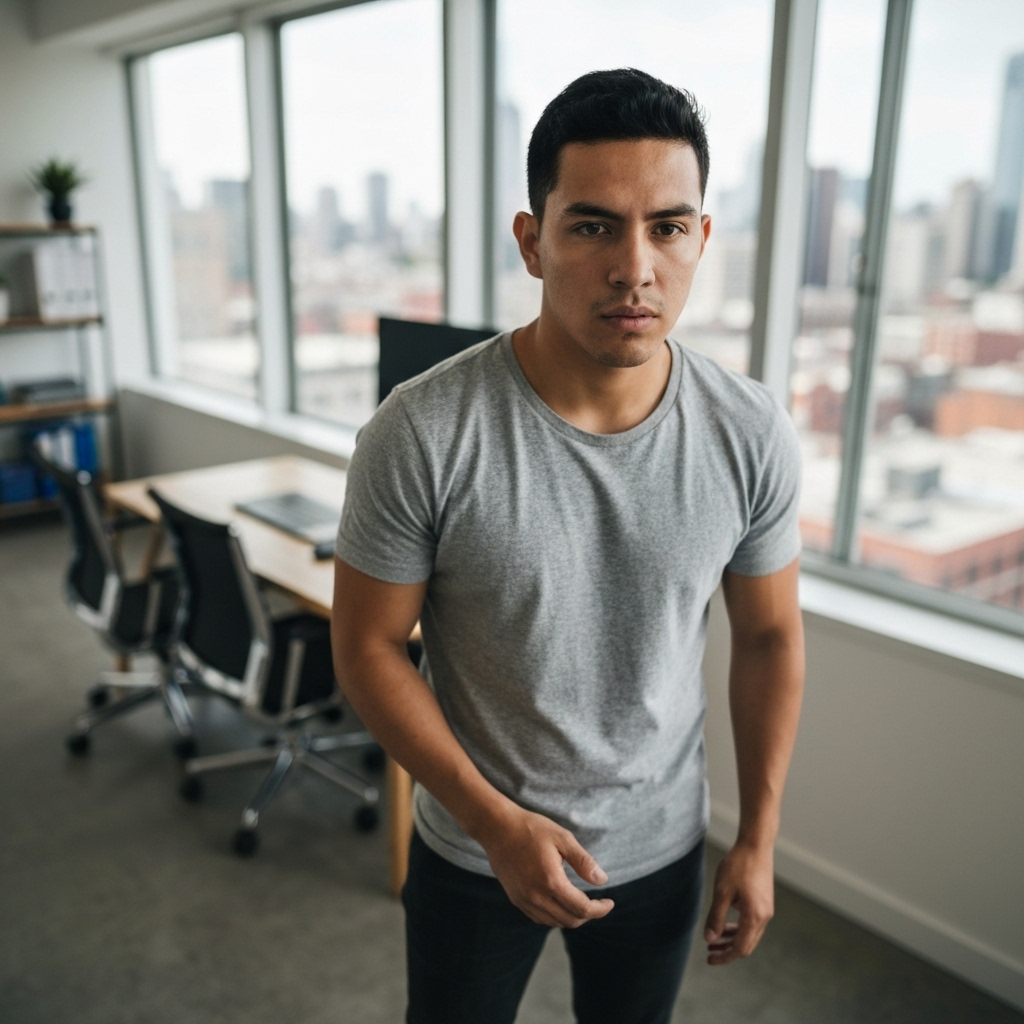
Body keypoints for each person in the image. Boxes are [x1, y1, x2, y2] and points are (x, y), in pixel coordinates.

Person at [331, 68, 805, 1024]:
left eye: (669, 226)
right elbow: (368, 648)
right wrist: (493, 823)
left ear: (702, 239)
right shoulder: (421, 432)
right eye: (593, 225)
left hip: (661, 845)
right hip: (475, 842)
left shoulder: (748, 431)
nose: (636, 267)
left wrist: (758, 837)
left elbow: (768, 639)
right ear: (533, 241)